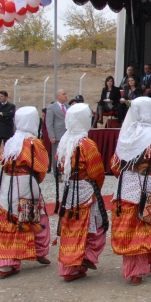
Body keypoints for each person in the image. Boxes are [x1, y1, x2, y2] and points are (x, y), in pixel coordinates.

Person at [110, 97, 151, 285]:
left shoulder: (126, 135)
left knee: (129, 224)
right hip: (149, 182)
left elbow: (114, 165)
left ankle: (136, 269)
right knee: (148, 220)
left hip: (127, 183)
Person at [0, 106, 51, 278]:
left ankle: (5, 262)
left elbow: (2, 160)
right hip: (25, 182)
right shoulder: (34, 143)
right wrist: (35, 180)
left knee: (8, 216)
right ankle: (39, 250)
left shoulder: (11, 141)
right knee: (34, 215)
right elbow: (41, 166)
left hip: (7, 183)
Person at [54, 104, 107, 282]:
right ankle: (83, 258)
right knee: (94, 226)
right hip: (85, 190)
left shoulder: (64, 142)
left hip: (68, 189)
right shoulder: (86, 144)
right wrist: (96, 187)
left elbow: (60, 166)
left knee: (71, 226)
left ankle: (69, 265)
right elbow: (97, 171)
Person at [0, 91, 16, 169]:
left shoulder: (11, 106)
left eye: (1, 96)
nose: (0, 98)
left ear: (6, 97)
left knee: (7, 147)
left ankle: (7, 164)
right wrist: (5, 116)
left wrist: (3, 114)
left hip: (7, 130)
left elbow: (11, 114)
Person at [45, 89, 69, 171]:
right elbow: (49, 123)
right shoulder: (52, 107)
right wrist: (51, 136)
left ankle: (65, 170)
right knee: (57, 154)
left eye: (66, 94)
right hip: (57, 135)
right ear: (58, 96)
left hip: (67, 135)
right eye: (64, 94)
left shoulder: (68, 107)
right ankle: (56, 172)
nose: (66, 95)